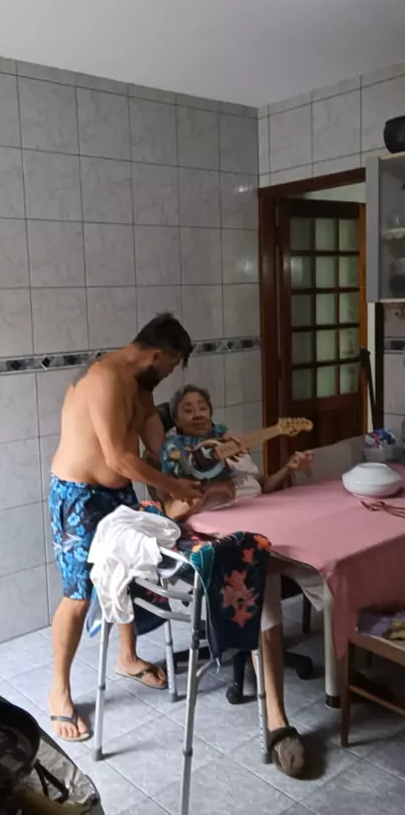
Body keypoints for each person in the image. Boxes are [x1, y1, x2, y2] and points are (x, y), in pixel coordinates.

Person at [48, 315, 201, 742]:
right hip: (78, 496)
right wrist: (172, 485)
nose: (169, 373)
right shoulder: (106, 379)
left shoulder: (141, 387)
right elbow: (116, 456)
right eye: (171, 365)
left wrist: (176, 476)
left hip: (118, 493)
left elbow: (153, 442)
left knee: (130, 571)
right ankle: (59, 690)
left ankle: (127, 657)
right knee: (78, 595)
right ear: (156, 354)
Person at [160, 384, 321, 777]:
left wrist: (288, 469)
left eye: (202, 405)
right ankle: (277, 721)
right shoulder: (175, 452)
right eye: (187, 408)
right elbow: (172, 510)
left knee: (323, 552)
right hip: (224, 533)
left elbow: (260, 485)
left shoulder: (231, 439)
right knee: (260, 578)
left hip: (266, 516)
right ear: (175, 419)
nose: (197, 412)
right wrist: (213, 490)